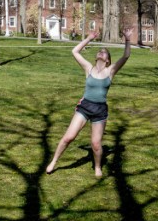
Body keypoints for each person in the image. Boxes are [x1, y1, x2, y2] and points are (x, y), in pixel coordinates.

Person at [46, 29, 131, 177]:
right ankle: (54, 161)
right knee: (68, 137)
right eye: (100, 51)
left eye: (104, 52)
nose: (101, 52)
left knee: (96, 144)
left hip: (100, 110)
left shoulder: (110, 71)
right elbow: (75, 51)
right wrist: (89, 38)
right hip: (85, 107)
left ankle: (97, 166)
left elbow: (126, 56)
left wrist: (128, 40)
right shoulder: (88, 68)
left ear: (108, 60)